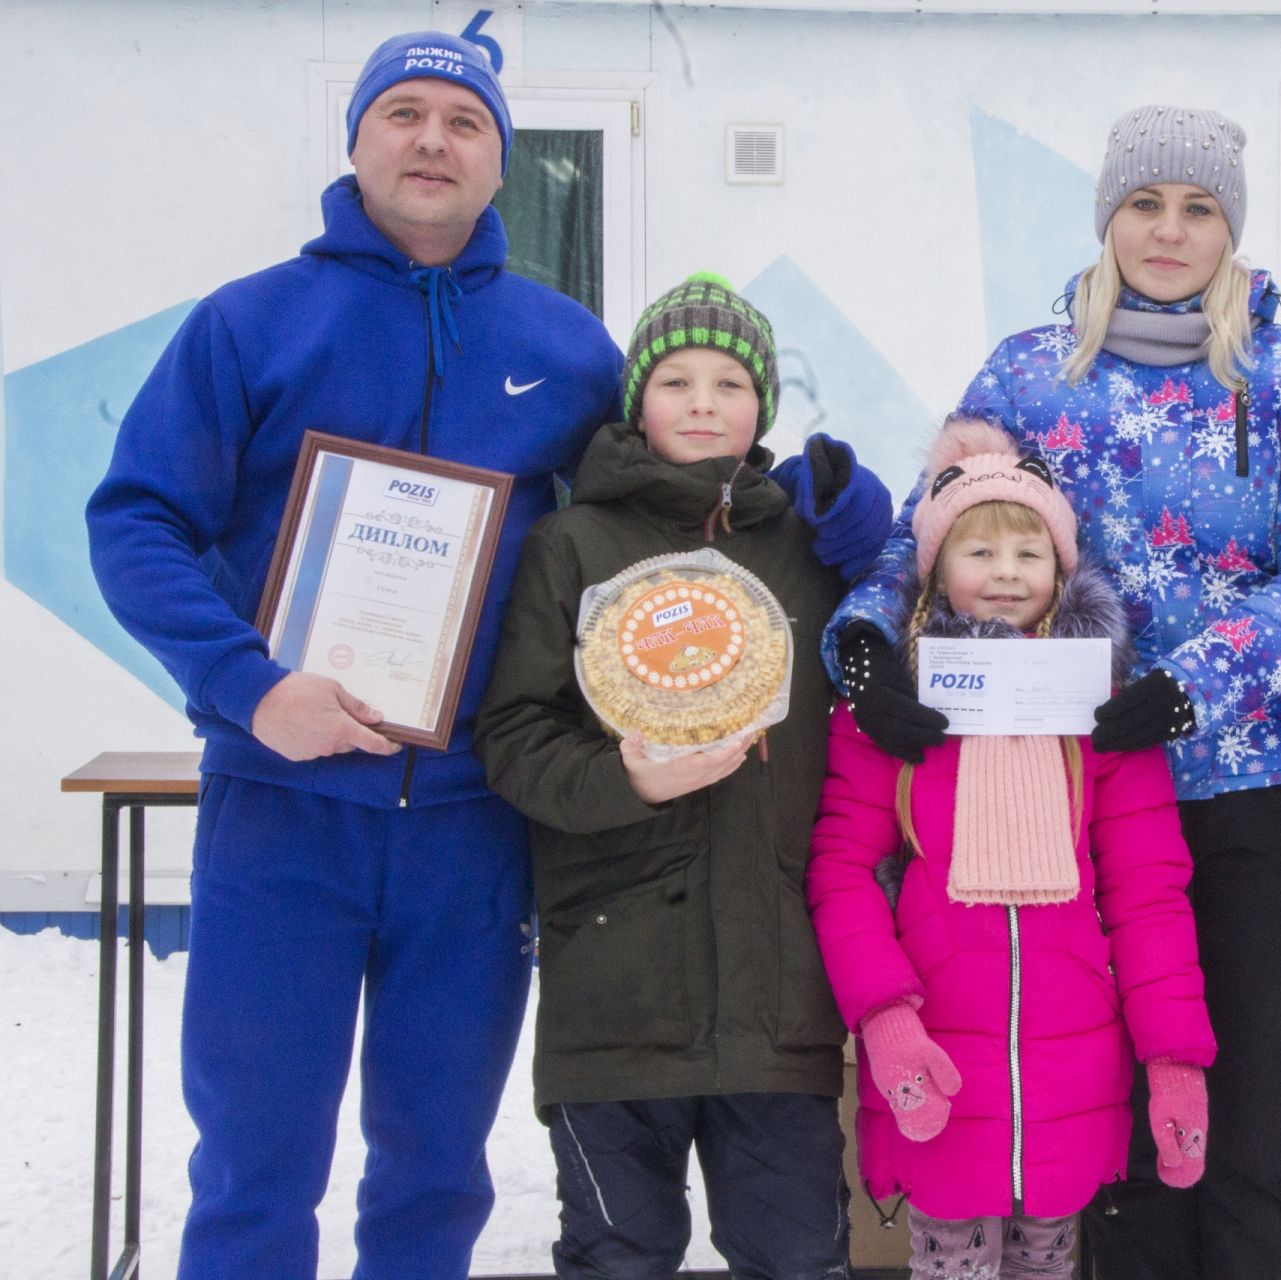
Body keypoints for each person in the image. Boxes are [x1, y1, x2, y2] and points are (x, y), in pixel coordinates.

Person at [84, 31, 624, 1279]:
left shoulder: (570, 349)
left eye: (465, 121)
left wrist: (845, 511)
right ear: (356, 140)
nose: (433, 139)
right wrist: (252, 688)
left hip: (473, 825)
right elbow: (137, 520)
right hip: (283, 812)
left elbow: (660, 511)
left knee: (437, 1166)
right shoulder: (248, 324)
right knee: (254, 1166)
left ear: (502, 159)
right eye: (404, 113)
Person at [825, 107, 1281, 1279]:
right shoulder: (1029, 372)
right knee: (1101, 1088)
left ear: (1232, 226)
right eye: (1145, 203)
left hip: (1262, 783)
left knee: (1261, 1086)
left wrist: (1195, 684)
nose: (1170, 231)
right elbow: (935, 526)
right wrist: (871, 643)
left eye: (1199, 209)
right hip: (1061, 781)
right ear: (1108, 215)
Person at [474, 272, 893, 1280]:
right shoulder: (572, 544)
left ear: (763, 409)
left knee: (798, 1252)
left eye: (729, 382)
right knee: (619, 1253)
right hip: (615, 994)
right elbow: (513, 735)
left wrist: (868, 517)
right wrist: (627, 779)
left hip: (778, 998)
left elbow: (904, 636)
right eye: (674, 379)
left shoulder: (805, 548)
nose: (703, 401)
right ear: (636, 404)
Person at [808, 415, 1217, 1280]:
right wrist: (886, 1021)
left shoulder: (1101, 712)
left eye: (1029, 554)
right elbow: (843, 871)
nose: (1004, 575)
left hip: (1076, 1071)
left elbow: (1148, 894)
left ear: (1064, 572)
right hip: (938, 1063)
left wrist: (1174, 1061)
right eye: (978, 552)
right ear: (933, 569)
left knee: (1048, 1263)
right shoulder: (893, 707)